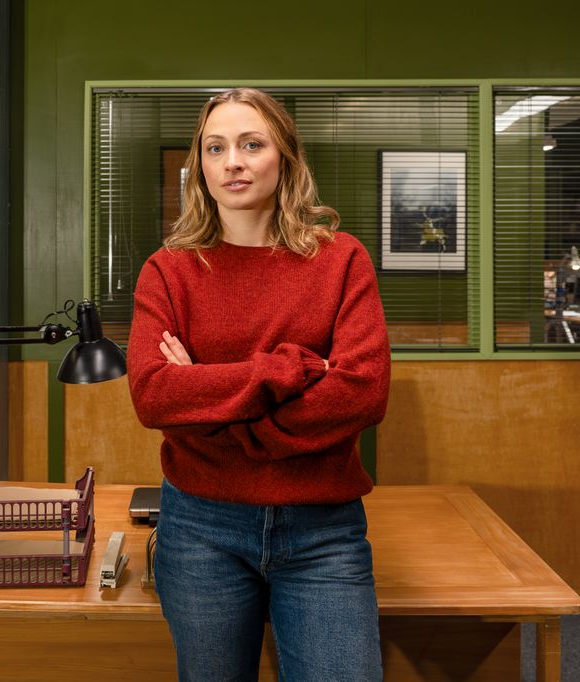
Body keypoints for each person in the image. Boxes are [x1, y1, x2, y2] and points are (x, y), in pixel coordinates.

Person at [127, 87, 391, 681]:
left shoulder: (341, 260)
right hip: (200, 529)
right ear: (201, 167)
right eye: (215, 148)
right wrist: (286, 370)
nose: (232, 162)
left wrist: (209, 393)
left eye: (252, 144)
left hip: (323, 529)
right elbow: (152, 395)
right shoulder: (168, 271)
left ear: (285, 158)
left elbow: (364, 391)